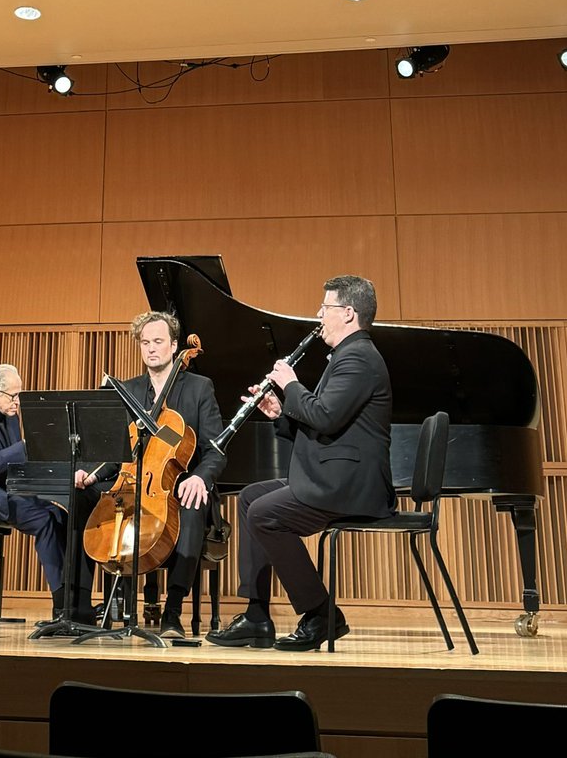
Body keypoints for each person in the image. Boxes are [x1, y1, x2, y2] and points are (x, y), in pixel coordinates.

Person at [207, 274, 394, 652]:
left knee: (263, 513)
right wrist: (280, 412)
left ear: (348, 313)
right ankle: (257, 615)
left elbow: (325, 418)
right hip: (335, 475)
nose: (319, 316)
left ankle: (320, 613)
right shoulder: (347, 356)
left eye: (325, 308)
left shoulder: (359, 358)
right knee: (250, 498)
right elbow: (325, 422)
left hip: (349, 485)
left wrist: (290, 383)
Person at [76, 311, 225, 639]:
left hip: (181, 481)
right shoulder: (128, 390)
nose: (151, 349)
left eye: (158, 342)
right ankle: (81, 606)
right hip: (133, 480)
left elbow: (216, 451)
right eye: (145, 342)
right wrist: (89, 471)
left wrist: (201, 477)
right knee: (84, 497)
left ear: (174, 346)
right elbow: (116, 451)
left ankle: (172, 609)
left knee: (192, 502)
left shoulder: (199, 389)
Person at [0, 364, 94, 624]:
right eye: (13, 395)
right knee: (43, 522)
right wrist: (27, 445)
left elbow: (14, 463)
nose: (18, 402)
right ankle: (59, 602)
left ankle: (75, 597)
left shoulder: (9, 414)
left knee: (59, 515)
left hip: (8, 485)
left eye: (20, 395)